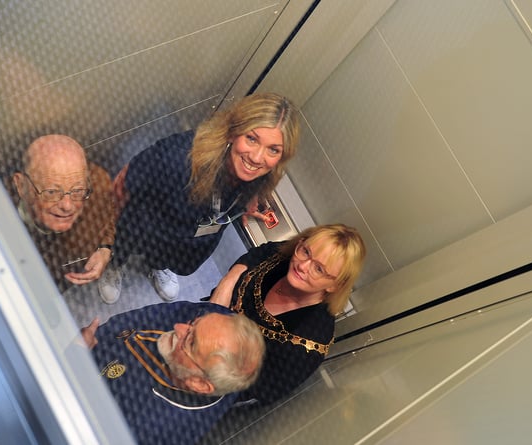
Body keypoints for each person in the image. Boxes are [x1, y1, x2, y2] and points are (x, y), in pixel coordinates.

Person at [102, 92, 301, 302]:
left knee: (167, 255)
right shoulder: (180, 156)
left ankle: (157, 265)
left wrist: (246, 204)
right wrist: (106, 242)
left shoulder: (264, 174)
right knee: (127, 241)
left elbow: (248, 192)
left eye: (273, 150)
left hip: (191, 234)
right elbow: (125, 182)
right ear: (233, 132)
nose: (257, 157)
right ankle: (115, 264)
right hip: (148, 221)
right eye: (251, 138)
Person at [210, 224, 366, 404]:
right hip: (203, 320)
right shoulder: (289, 256)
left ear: (334, 285)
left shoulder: (307, 346)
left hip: (214, 382)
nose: (302, 266)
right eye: (306, 251)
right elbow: (259, 253)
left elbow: (258, 390)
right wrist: (228, 282)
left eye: (319, 269)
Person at [79, 301, 265, 445]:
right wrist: (101, 336)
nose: (178, 327)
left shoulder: (149, 428)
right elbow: (142, 318)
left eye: (191, 342)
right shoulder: (217, 323)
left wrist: (75, 358)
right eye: (193, 323)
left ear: (198, 384)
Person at [10, 135, 118, 299]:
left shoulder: (99, 185)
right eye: (52, 192)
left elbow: (108, 214)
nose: (67, 206)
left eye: (77, 191)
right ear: (21, 185)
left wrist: (105, 249)